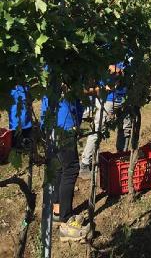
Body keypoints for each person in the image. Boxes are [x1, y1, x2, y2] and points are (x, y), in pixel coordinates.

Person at [40, 92, 87, 241]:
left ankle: (57, 211)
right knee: (71, 168)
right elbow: (74, 89)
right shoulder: (70, 69)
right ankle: (66, 222)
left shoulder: (50, 68)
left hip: (51, 123)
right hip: (64, 124)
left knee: (60, 167)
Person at [78, 60, 133, 179]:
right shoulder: (110, 47)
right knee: (98, 130)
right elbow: (100, 64)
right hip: (108, 98)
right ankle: (85, 163)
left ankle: (122, 156)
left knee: (126, 128)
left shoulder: (131, 49)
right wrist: (110, 67)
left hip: (127, 97)